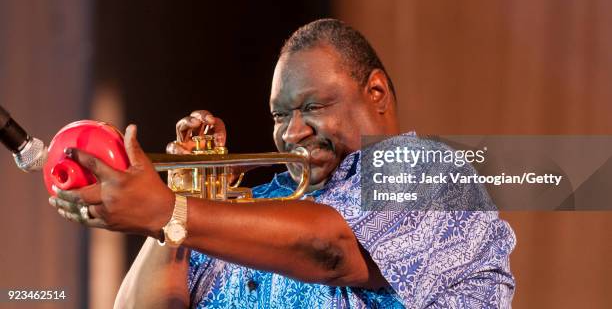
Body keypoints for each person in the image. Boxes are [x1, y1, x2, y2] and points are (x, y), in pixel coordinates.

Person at [49, 19, 516, 308]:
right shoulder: (256, 204)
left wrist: (170, 211)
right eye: (279, 115)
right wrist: (180, 208)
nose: (291, 132)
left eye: (312, 107)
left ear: (375, 93)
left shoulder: (431, 173)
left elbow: (330, 250)